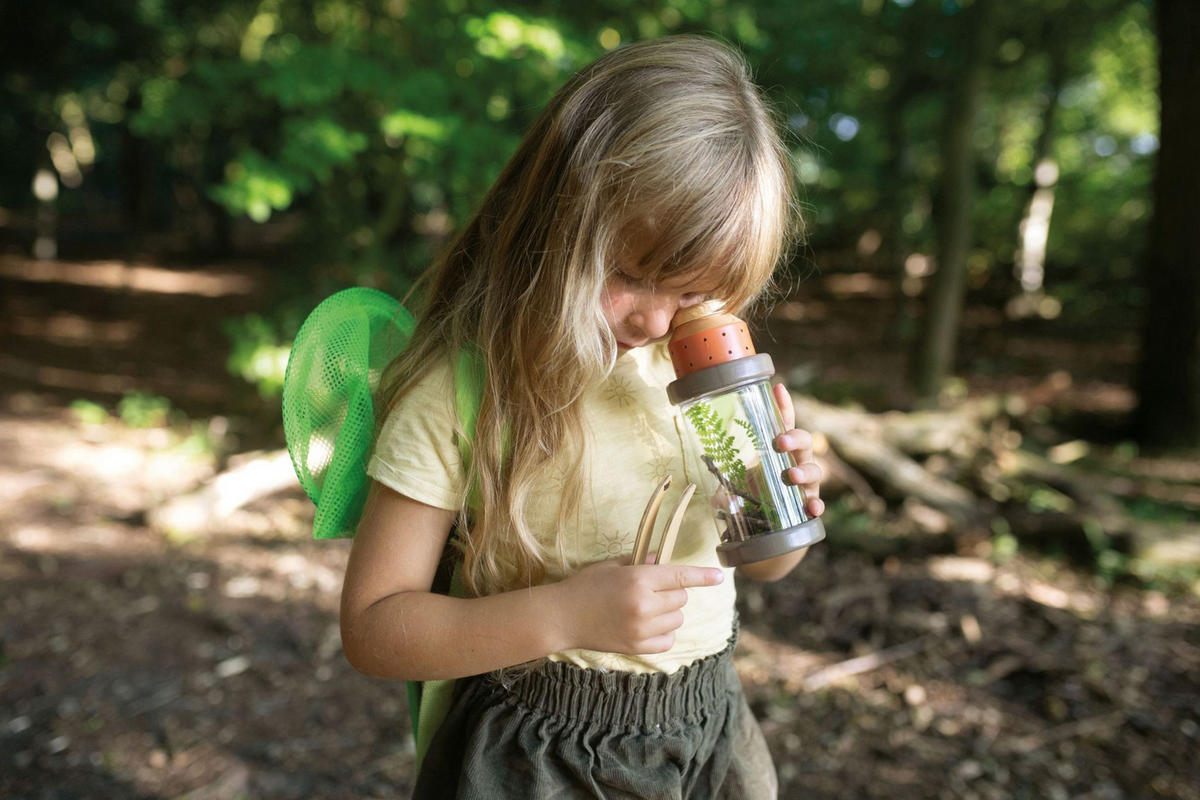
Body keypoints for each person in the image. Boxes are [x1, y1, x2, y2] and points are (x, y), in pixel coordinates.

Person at [339, 34, 825, 799]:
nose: (659, 321)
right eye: (630, 275)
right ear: (552, 227)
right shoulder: (462, 394)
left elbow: (760, 564)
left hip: (708, 728)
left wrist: (781, 505)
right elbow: (372, 628)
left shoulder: (697, 376)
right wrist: (561, 616)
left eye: (695, 294)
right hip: (540, 760)